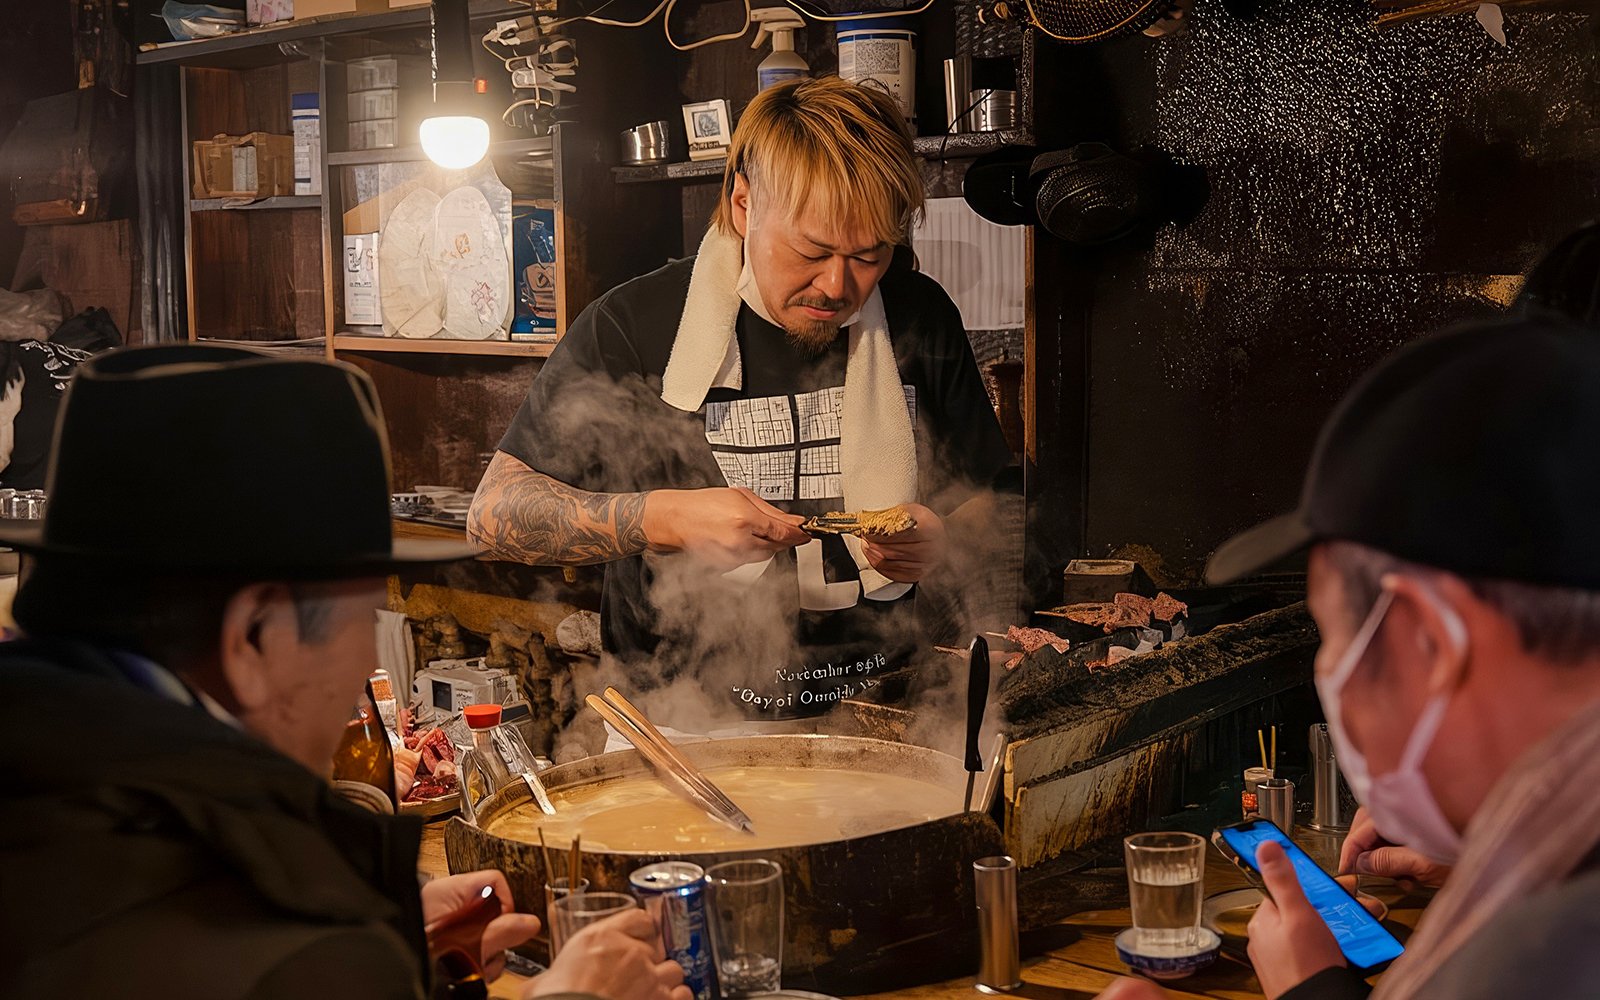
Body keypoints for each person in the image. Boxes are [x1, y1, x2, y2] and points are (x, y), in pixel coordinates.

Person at [2, 344, 688, 1000]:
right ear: (255, 636)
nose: (365, 662)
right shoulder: (279, 951)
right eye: (362, 622)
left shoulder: (52, 797)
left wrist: (384, 955)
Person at [468, 76, 1011, 725]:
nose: (838, 286)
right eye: (812, 251)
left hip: (885, 715)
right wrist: (664, 519)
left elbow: (989, 502)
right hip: (679, 727)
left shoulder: (921, 315)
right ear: (743, 204)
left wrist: (944, 539)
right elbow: (494, 515)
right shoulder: (635, 324)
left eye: (868, 257)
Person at [1098, 311, 1600, 1000]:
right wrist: (1485, 852)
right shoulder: (1564, 869)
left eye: (1335, 638)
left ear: (1432, 640)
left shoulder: (1548, 947)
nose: (1332, 668)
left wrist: (1315, 992)